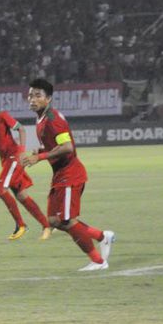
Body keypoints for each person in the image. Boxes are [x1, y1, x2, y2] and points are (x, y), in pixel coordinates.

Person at [20, 78, 115, 271]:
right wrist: (41, 152)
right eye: (30, 95)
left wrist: (41, 157)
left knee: (66, 221)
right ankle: (102, 236)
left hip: (71, 175)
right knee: (54, 221)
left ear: (48, 99)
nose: (32, 99)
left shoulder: (53, 120)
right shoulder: (41, 119)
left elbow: (67, 147)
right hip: (60, 176)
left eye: (38, 95)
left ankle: (98, 261)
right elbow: (54, 144)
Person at [0, 86, 51, 240]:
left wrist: (22, 151)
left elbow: (21, 129)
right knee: (21, 195)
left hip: (14, 157)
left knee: (1, 189)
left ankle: (21, 225)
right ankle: (46, 225)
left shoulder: (1, 115)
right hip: (5, 161)